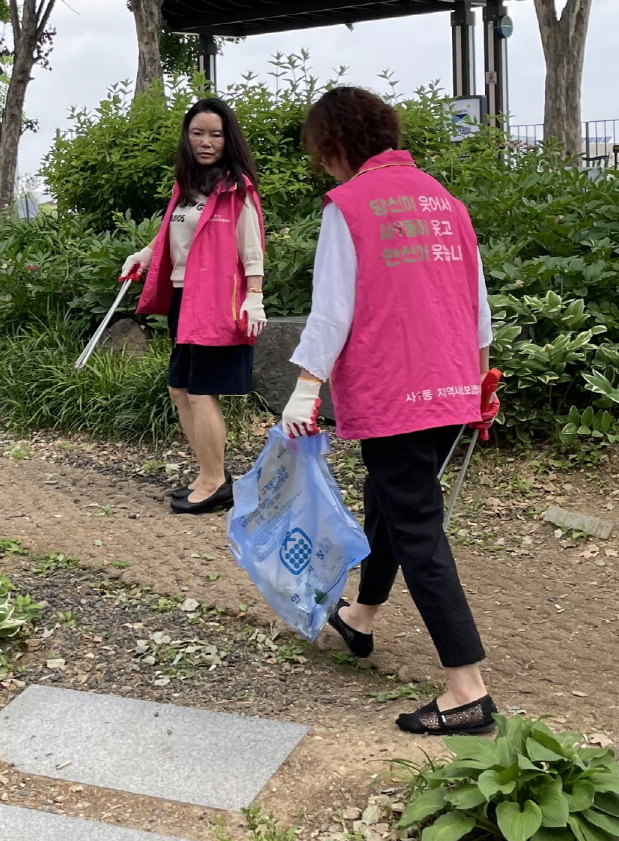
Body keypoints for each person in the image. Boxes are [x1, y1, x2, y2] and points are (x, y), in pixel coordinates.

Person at [280, 86, 501, 736]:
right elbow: (477, 300)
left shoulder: (348, 208)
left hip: (395, 391)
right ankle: (362, 617)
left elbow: (332, 312)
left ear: (336, 145)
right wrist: (483, 379)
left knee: (419, 532)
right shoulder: (444, 201)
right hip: (452, 385)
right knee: (392, 500)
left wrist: (304, 388)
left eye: (323, 153)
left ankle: (467, 686)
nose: (324, 166)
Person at [120, 98, 267, 514]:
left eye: (216, 135)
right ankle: (209, 472)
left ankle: (216, 481)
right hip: (183, 297)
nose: (206, 142)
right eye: (198, 133)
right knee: (180, 389)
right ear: (187, 137)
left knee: (202, 392)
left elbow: (252, 250)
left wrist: (254, 296)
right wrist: (145, 253)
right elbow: (170, 233)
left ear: (228, 139)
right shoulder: (185, 186)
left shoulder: (236, 190)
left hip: (218, 302)